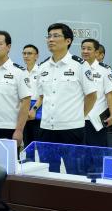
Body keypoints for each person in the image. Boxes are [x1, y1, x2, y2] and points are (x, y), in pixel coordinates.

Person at [34, 23, 98, 174]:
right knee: (48, 173)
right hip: (46, 129)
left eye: (56, 36)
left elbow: (91, 96)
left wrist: (78, 116)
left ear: (68, 41)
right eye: (49, 36)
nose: (51, 39)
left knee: (75, 173)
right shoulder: (42, 67)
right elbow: (42, 95)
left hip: (72, 129)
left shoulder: (80, 65)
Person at [80, 38, 112, 148]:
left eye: (89, 49)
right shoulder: (77, 67)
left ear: (97, 52)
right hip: (78, 118)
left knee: (97, 152)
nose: (85, 51)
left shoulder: (106, 70)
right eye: (83, 48)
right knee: (79, 152)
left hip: (97, 119)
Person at [22, 43, 42, 147]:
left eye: (29, 53)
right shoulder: (20, 72)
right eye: (24, 53)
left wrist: (34, 109)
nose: (26, 56)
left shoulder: (41, 71)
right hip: (24, 112)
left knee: (39, 146)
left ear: (36, 56)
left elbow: (43, 95)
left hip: (38, 111)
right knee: (27, 145)